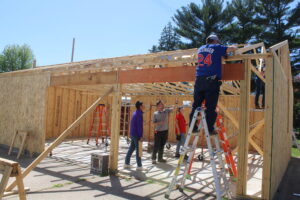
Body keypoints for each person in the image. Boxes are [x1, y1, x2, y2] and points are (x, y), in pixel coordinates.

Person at [189, 34, 237, 135]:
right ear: (215, 41)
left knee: (196, 105)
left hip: (199, 80)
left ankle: (192, 127)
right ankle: (209, 129)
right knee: (210, 106)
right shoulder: (216, 47)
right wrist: (235, 47)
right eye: (218, 41)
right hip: (211, 81)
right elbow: (231, 49)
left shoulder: (200, 49)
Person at [124, 101, 145, 171]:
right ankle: (139, 166)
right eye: (143, 105)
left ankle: (126, 163)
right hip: (136, 135)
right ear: (140, 106)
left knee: (131, 149)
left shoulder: (134, 113)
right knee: (138, 151)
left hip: (133, 134)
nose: (144, 106)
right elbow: (139, 126)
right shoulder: (139, 114)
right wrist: (141, 136)